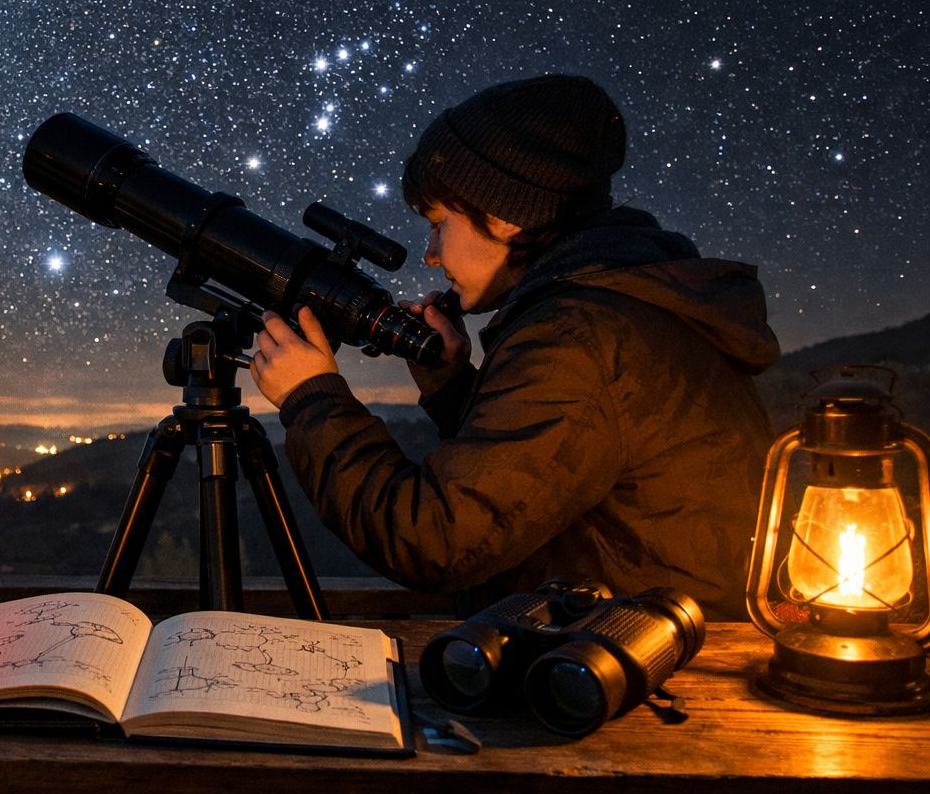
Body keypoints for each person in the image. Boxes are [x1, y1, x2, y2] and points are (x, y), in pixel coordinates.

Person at [249, 74, 779, 621]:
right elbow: (549, 476)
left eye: (439, 224)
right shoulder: (624, 305)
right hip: (619, 639)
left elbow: (435, 541)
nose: (430, 253)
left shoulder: (580, 335)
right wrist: (455, 388)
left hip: (630, 671)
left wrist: (312, 400)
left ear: (503, 214)